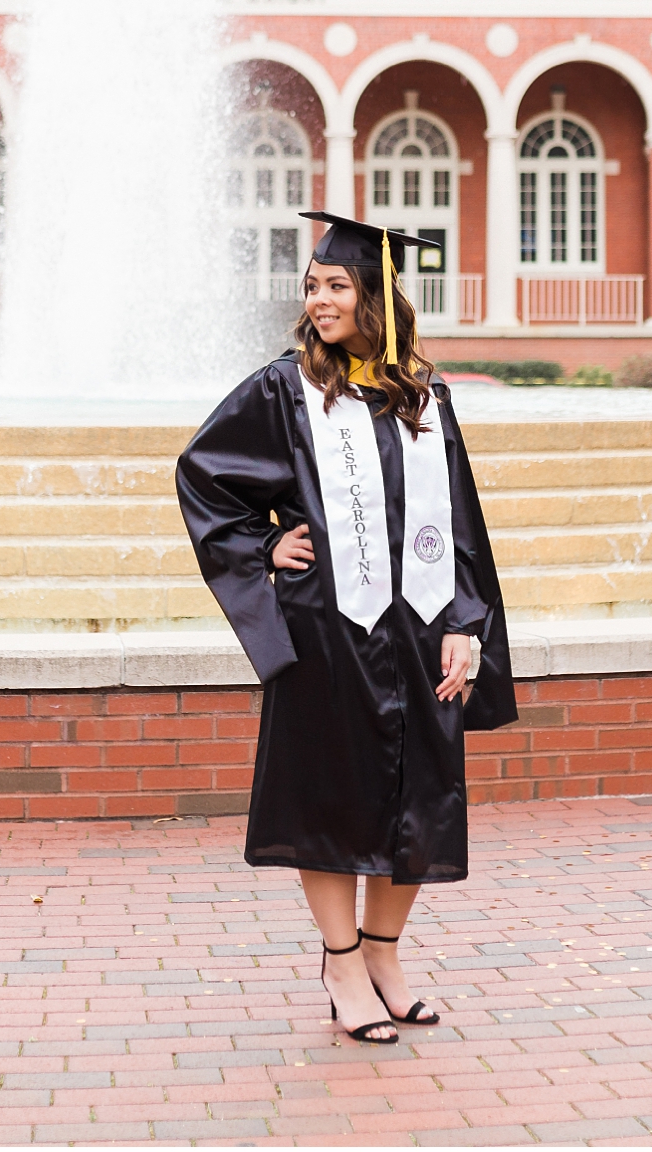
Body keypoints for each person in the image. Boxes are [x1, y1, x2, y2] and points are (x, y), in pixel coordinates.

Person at [175, 210, 516, 1046]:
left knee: (420, 798)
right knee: (334, 797)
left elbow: (462, 523)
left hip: (422, 631)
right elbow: (202, 475)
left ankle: (384, 958)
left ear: (375, 297)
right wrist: (263, 543)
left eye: (336, 286)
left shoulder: (425, 400)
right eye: (313, 287)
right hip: (332, 633)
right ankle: (339, 965)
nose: (320, 300)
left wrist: (468, 621)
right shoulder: (284, 389)